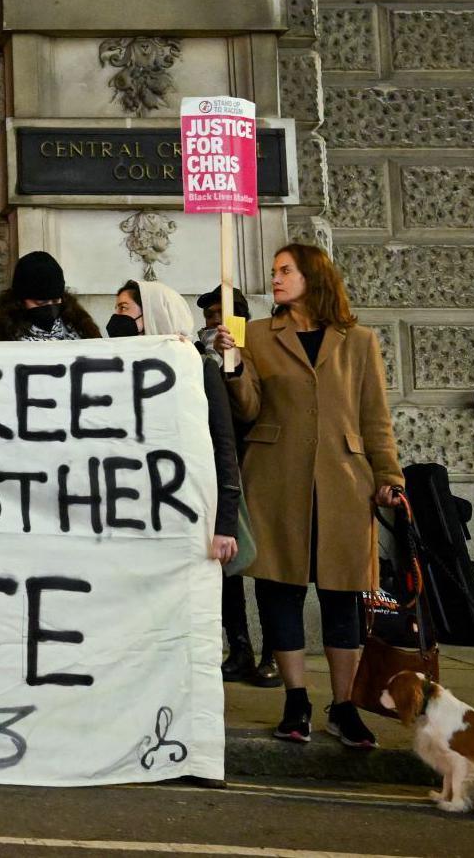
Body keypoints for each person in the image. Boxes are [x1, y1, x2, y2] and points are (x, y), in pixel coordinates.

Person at [215, 244, 403, 749]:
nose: (275, 279)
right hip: (276, 479)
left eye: (285, 270)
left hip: (344, 482)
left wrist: (390, 477)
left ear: (312, 276)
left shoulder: (359, 341)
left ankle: (344, 705)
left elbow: (375, 418)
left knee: (343, 596)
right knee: (280, 591)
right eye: (273, 271)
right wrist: (233, 367)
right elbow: (250, 408)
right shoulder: (255, 334)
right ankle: (295, 700)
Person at [195, 286, 277, 687]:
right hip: (221, 470)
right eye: (210, 315)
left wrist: (234, 362)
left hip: (258, 465)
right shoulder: (197, 353)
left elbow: (249, 409)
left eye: (225, 315)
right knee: (229, 568)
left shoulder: (255, 352)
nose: (217, 322)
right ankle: (239, 645)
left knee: (266, 564)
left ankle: (273, 651)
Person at [132, 281, 242, 564]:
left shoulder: (200, 366)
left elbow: (223, 444)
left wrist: (225, 524)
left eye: (124, 308)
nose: (213, 321)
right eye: (209, 314)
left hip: (195, 508)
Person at [0, 251, 101, 341]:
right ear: (20, 301)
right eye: (41, 303)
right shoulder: (1, 337)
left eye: (56, 300)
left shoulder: (81, 328)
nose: (51, 308)